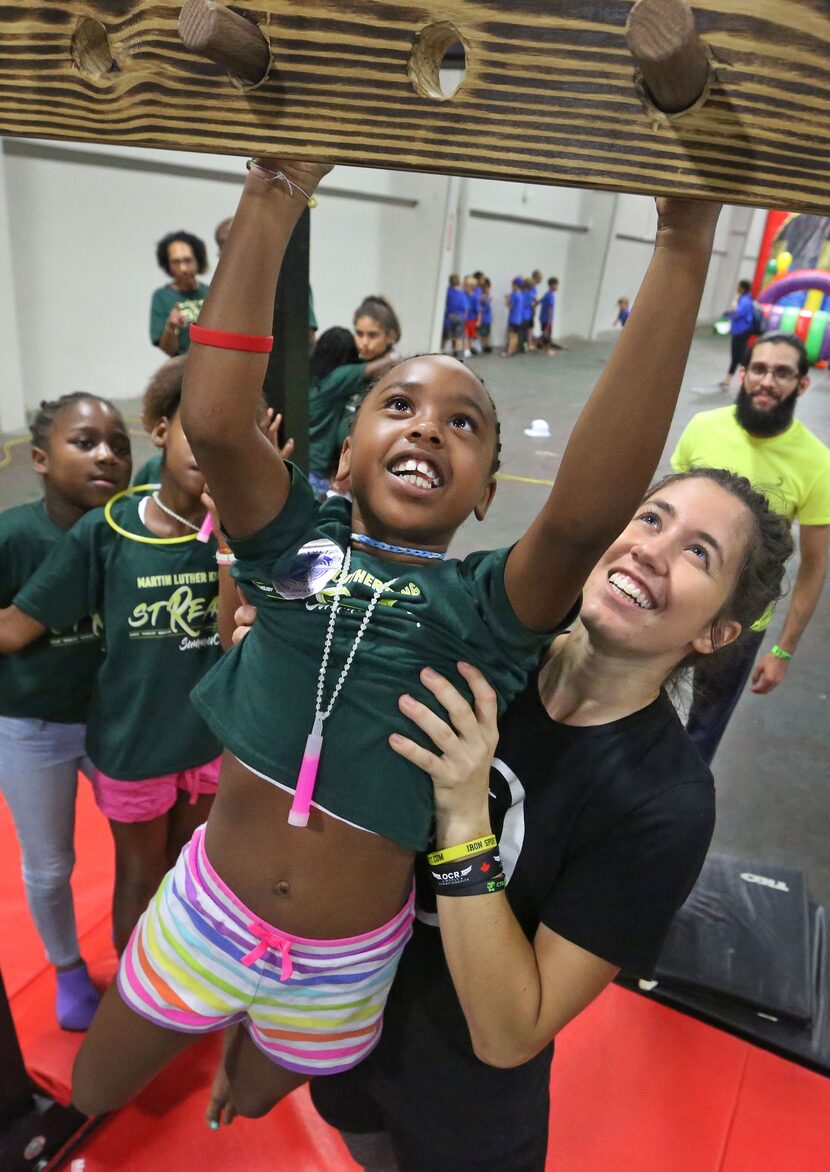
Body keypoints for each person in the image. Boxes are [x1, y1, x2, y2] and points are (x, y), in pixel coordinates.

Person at [68, 157, 720, 1125]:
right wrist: (274, 190)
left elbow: (584, 518)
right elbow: (212, 416)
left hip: (345, 967)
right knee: (91, 1086)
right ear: (343, 448)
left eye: (464, 424)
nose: (427, 428)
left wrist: (678, 244)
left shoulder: (485, 610)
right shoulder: (294, 539)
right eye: (399, 404)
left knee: (242, 1102)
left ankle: (243, 1075)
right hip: (208, 913)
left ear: (487, 490)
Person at [306, 467, 794, 1171]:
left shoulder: (665, 802)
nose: (651, 550)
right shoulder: (492, 629)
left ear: (718, 631)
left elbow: (510, 1033)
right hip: (340, 1027)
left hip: (462, 1111)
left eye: (698, 553)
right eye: (652, 519)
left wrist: (467, 813)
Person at [0, 361, 223, 953]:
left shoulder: (234, 531)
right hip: (107, 742)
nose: (103, 456)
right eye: (196, 426)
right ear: (160, 429)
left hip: (201, 741)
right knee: (120, 874)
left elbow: (238, 636)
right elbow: (16, 629)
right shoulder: (104, 532)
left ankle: (180, 977)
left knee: (189, 872)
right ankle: (117, 987)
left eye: (232, 433)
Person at [0, 393, 132, 1030]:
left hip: (118, 725)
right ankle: (67, 967)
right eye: (84, 441)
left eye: (118, 443)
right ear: (40, 459)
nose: (106, 453)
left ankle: (149, 963)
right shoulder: (14, 534)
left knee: (145, 851)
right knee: (50, 864)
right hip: (34, 728)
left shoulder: (133, 531)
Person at [673, 331, 830, 763]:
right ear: (743, 374)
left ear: (802, 384)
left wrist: (783, 650)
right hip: (675, 598)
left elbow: (815, 567)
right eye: (758, 369)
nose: (766, 381)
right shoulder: (703, 428)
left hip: (738, 624)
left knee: (702, 731)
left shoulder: (817, 463)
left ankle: (674, 814)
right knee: (634, 700)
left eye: (782, 373)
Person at [308, 327, 398, 495]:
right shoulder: (337, 378)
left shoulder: (315, 375)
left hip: (304, 463)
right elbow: (376, 366)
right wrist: (390, 348)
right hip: (316, 470)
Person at [150, 230, 210, 357]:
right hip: (182, 367)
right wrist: (171, 327)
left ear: (198, 260)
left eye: (188, 260)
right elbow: (169, 351)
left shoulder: (211, 293)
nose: (183, 268)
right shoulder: (162, 297)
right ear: (168, 265)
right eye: (176, 262)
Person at [718, 278, 754, 390]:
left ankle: (747, 382)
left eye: (739, 286)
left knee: (740, 358)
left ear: (742, 288)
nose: (737, 288)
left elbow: (737, 314)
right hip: (739, 331)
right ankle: (728, 380)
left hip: (741, 332)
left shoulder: (745, 301)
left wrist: (727, 313)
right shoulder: (744, 299)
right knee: (737, 357)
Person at [443, 274, 468, 358]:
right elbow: (466, 307)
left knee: (446, 335)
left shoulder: (448, 292)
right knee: (459, 335)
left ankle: (440, 350)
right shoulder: (461, 293)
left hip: (449, 316)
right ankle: (456, 352)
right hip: (460, 317)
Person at [503, 276, 526, 357]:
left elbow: (510, 306)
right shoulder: (522, 295)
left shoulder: (514, 295)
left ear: (515, 285)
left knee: (512, 335)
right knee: (516, 335)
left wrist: (506, 299)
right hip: (519, 319)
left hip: (513, 318)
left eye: (512, 285)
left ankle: (509, 351)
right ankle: (513, 350)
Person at [538, 278, 557, 352]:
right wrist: (549, 319)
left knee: (544, 333)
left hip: (543, 318)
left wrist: (534, 305)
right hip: (547, 319)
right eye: (555, 285)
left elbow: (540, 301)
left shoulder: (547, 294)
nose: (556, 287)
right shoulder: (550, 295)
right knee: (547, 334)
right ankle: (547, 350)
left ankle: (540, 344)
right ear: (551, 285)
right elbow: (550, 308)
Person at [478, 278, 493, 354]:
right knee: (483, 332)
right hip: (483, 317)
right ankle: (484, 345)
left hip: (488, 317)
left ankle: (486, 344)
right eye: (487, 288)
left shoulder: (487, 296)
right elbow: (482, 305)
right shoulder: (482, 296)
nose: (489, 289)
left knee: (487, 332)